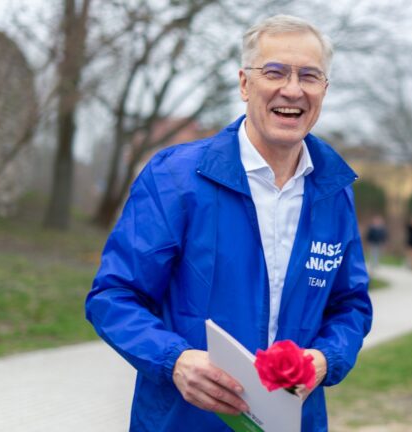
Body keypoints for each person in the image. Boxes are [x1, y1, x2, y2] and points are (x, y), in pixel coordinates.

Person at [85, 15, 372, 432]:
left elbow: (351, 305)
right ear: (244, 84)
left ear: (323, 90)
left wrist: (326, 359)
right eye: (275, 71)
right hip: (183, 421)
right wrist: (176, 361)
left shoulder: (333, 190)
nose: (292, 89)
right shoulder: (175, 176)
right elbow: (113, 295)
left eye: (309, 76)